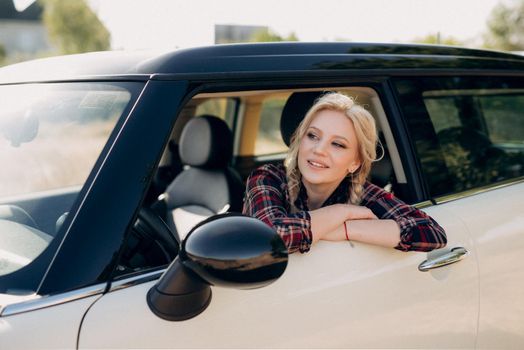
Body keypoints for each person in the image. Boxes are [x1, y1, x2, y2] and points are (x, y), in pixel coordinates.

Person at [242, 92, 447, 254]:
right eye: (313, 136)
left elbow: (432, 233)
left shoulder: (359, 191)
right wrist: (341, 213)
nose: (319, 149)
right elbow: (269, 239)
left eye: (338, 144)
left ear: (355, 162)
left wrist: (345, 229)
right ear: (300, 140)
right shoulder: (267, 177)